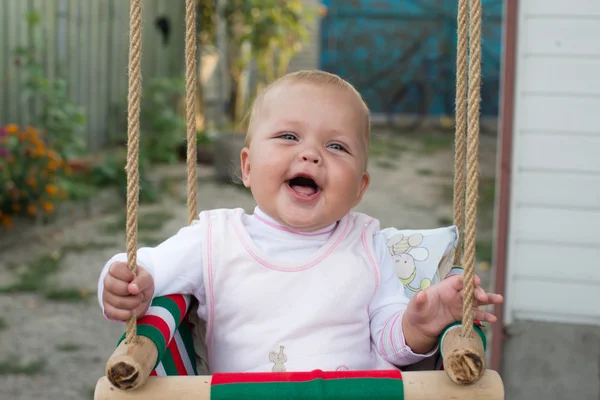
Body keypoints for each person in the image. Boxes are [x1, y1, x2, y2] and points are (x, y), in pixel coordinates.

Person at [98, 70, 503, 373]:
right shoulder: (214, 238)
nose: (310, 154)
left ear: (359, 188)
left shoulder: (366, 242)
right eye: (288, 137)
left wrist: (421, 323)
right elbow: (143, 268)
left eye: (336, 146)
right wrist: (120, 284)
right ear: (248, 167)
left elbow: (391, 344)